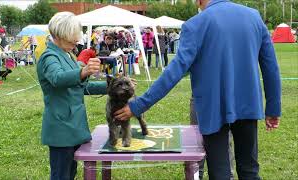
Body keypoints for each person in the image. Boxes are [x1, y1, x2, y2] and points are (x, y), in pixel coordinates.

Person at [114, 0, 281, 179]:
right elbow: (270, 66)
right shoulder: (253, 17)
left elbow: (174, 72)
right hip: (248, 103)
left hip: (212, 108)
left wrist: (139, 105)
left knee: (219, 172)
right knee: (249, 171)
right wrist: (273, 108)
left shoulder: (196, 24)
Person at [36, 12, 107, 179]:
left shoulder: (67, 55)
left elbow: (80, 86)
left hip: (74, 126)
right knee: (61, 175)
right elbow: (57, 78)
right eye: (72, 38)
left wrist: (111, 86)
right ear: (61, 35)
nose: (76, 41)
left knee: (71, 173)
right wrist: (83, 71)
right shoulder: (50, 57)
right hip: (61, 130)